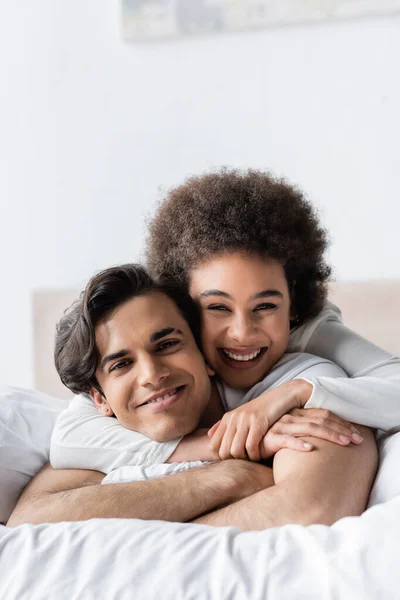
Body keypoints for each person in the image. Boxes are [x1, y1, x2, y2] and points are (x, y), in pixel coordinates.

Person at [8, 264, 376, 529]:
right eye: (121, 365)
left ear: (204, 352)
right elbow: (31, 519)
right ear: (99, 399)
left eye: (168, 344)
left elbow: (312, 509)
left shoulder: (297, 386)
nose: (152, 375)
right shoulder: (97, 427)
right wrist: (230, 477)